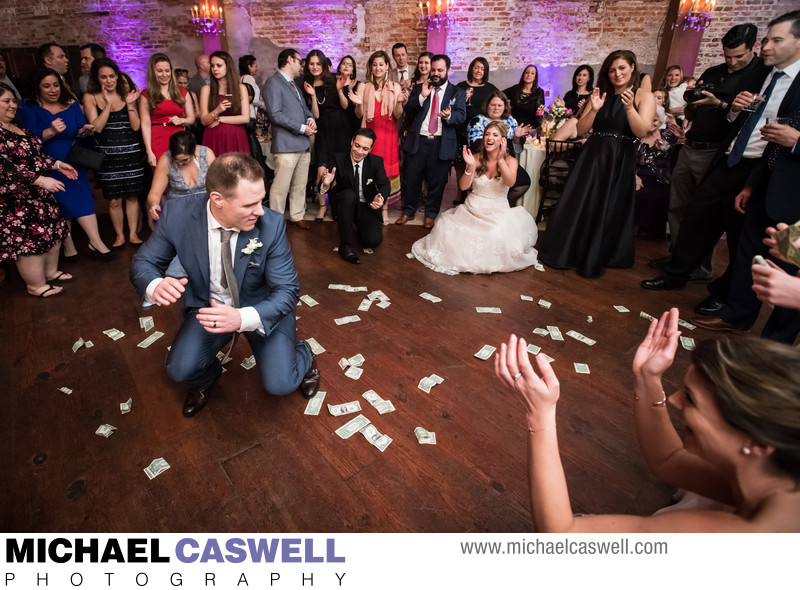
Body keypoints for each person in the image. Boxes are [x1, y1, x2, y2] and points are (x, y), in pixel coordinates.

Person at [495, 308, 800, 532]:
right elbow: (669, 460)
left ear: (757, 442)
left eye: (692, 399)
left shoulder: (721, 537)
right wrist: (647, 377)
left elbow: (561, 538)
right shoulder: (773, 478)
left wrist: (541, 414)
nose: (674, 400)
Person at [130, 152, 321, 418]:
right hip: (210, 309)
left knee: (280, 384)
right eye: (249, 204)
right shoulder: (178, 215)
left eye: (261, 200)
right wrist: (154, 284)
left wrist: (241, 318)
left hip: (260, 309)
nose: (260, 210)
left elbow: (287, 291)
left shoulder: (271, 224)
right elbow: (144, 262)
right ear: (217, 199)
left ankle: (304, 355)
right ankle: (206, 376)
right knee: (179, 369)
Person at [690, 11, 800, 343]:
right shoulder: (776, 79)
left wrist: (798, 142)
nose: (768, 46)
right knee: (749, 253)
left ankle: (777, 341)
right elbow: (768, 138)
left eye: (776, 40)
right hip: (765, 181)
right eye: (767, 39)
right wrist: (753, 184)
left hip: (794, 194)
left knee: (789, 266)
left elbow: (787, 138)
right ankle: (736, 316)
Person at [646, 24, 763, 310]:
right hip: (692, 143)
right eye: (728, 56)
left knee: (705, 214)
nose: (732, 62)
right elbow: (690, 111)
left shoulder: (760, 75)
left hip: (718, 152)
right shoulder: (713, 73)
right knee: (678, 205)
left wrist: (719, 103)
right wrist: (694, 101)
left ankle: (699, 268)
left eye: (738, 57)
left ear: (753, 48)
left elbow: (746, 119)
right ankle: (679, 256)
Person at [539, 50, 655, 278]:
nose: (617, 74)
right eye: (612, 70)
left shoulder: (643, 95)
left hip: (620, 157)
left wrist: (630, 107)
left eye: (622, 68)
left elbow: (641, 131)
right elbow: (581, 129)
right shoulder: (601, 93)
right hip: (593, 156)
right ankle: (572, 250)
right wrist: (595, 108)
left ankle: (599, 254)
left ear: (632, 67)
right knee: (583, 202)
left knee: (609, 205)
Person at [412, 121, 538, 275]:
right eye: (487, 134)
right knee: (449, 231)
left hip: (497, 212)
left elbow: (510, 182)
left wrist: (500, 160)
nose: (489, 138)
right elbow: (464, 187)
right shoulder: (476, 158)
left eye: (495, 135)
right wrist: (470, 167)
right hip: (471, 210)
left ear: (503, 140)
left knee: (494, 236)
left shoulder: (511, 161)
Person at [20, 67, 112, 260]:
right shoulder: (28, 107)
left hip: (73, 160)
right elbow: (26, 141)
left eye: (56, 85)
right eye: (47, 86)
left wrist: (84, 131)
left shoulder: (71, 104)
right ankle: (69, 247)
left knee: (84, 200)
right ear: (38, 88)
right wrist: (50, 131)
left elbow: (79, 129)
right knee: (60, 204)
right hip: (49, 163)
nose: (53, 90)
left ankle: (96, 242)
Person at [0, 82, 75, 297]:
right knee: (30, 241)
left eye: (14, 100)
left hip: (40, 195)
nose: (13, 105)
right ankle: (35, 285)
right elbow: (5, 168)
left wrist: (58, 165)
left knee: (53, 232)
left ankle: (51, 272)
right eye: (6, 101)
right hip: (17, 200)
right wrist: (39, 180)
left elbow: (35, 157)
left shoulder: (19, 127)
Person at [396, 54, 466, 228]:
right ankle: (408, 211)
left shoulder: (457, 92)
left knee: (437, 181)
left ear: (448, 71)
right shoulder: (420, 87)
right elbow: (410, 109)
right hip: (418, 141)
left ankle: (430, 214)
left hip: (440, 143)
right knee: (412, 178)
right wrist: (422, 96)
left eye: (440, 70)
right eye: (433, 69)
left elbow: (461, 116)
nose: (435, 73)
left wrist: (449, 115)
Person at [84, 58, 147, 249]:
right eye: (104, 77)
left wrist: (129, 104)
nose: (109, 80)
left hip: (131, 154)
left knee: (132, 197)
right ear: (97, 78)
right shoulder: (91, 96)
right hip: (108, 158)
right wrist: (108, 105)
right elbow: (97, 128)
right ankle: (119, 235)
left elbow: (136, 126)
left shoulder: (126, 93)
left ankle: (133, 234)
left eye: (112, 76)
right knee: (113, 200)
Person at [317, 128, 390, 264]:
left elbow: (385, 184)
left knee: (372, 241)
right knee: (350, 195)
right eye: (357, 145)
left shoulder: (376, 162)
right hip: (345, 203)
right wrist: (326, 184)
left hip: (365, 205)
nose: (359, 151)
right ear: (351, 142)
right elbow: (321, 189)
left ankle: (358, 226)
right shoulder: (337, 158)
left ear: (370, 149)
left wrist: (381, 197)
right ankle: (345, 245)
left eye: (365, 148)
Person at [263, 48, 317, 230]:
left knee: (300, 185)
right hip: (286, 145)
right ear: (289, 60)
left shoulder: (294, 84)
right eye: (300, 61)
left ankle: (296, 215)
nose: (302, 65)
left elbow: (303, 109)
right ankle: (276, 220)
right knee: (281, 187)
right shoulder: (273, 83)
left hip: (302, 144)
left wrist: (309, 118)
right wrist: (303, 128)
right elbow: (275, 114)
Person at [350, 50, 407, 224]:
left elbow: (397, 115)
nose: (378, 68)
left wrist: (398, 101)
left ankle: (384, 209)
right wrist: (359, 105)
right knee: (368, 172)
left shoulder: (395, 87)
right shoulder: (363, 86)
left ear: (387, 66)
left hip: (388, 135)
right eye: (374, 65)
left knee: (386, 175)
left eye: (381, 64)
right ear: (370, 67)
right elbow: (358, 114)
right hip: (369, 137)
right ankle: (366, 207)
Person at [302, 49, 350, 222]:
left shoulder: (334, 80)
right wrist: (313, 96)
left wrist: (339, 90)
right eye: (311, 63)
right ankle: (323, 207)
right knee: (321, 171)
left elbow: (345, 106)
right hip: (322, 131)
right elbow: (316, 115)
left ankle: (336, 206)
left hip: (340, 130)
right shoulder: (306, 84)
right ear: (307, 65)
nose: (315, 67)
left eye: (318, 63)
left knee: (338, 170)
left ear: (323, 65)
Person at [139, 53, 195, 168]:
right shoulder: (146, 95)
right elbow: (145, 124)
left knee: (182, 175)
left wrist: (182, 120)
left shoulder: (182, 92)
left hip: (179, 138)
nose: (164, 74)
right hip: (157, 139)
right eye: (159, 71)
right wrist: (149, 151)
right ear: (153, 72)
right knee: (161, 176)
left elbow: (191, 119)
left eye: (167, 70)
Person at [146, 130, 216, 221]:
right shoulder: (166, 160)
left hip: (206, 210)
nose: (180, 163)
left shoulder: (206, 154)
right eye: (176, 160)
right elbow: (155, 192)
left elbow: (218, 185)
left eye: (185, 160)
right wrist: (154, 203)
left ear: (193, 151)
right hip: (178, 211)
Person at [199, 51, 249, 157]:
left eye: (219, 65)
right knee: (215, 171)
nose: (215, 69)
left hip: (236, 137)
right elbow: (204, 121)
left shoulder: (240, 88)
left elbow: (245, 118)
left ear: (228, 66)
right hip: (214, 137)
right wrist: (217, 110)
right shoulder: (206, 89)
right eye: (212, 66)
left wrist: (220, 120)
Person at [503, 64, 545, 132]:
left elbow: (539, 113)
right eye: (527, 72)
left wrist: (539, 130)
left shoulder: (539, 92)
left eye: (532, 73)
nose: (529, 75)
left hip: (529, 129)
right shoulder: (515, 89)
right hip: (512, 127)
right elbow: (499, 95)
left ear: (535, 77)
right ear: (523, 75)